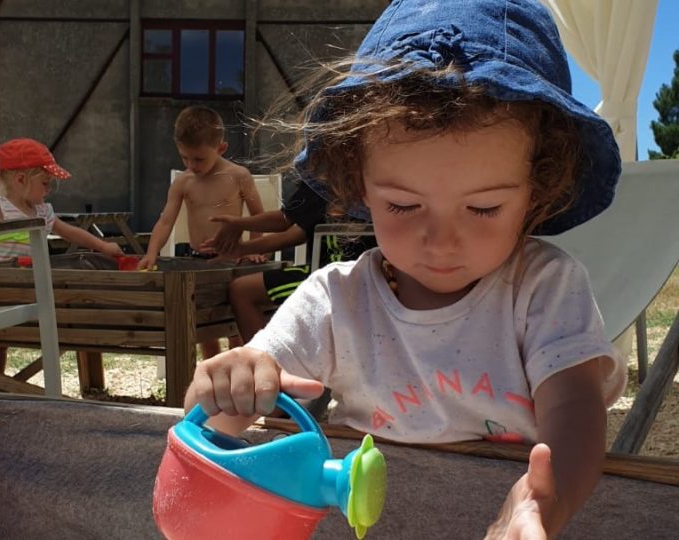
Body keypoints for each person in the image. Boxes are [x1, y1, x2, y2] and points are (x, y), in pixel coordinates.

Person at [183, 0, 628, 537]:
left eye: (484, 208)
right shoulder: (336, 300)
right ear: (359, 183)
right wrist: (228, 383)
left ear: (539, 188)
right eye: (403, 206)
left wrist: (545, 500)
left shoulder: (542, 288)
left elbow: (577, 411)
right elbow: (210, 424)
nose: (441, 241)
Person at [0, 138, 124, 390]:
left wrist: (103, 246)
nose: (48, 190)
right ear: (21, 179)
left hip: (23, 289)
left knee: (0, 342)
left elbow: (71, 232)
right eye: (45, 183)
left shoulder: (42, 212)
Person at [137, 105, 267, 358]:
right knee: (203, 327)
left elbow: (258, 217)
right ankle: (212, 374)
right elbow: (165, 221)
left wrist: (254, 249)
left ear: (221, 148)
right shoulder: (183, 182)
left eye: (199, 159)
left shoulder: (238, 176)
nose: (191, 165)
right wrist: (152, 252)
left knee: (234, 327)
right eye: (185, 158)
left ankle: (237, 371)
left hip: (232, 262)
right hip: (199, 262)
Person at [200, 180, 375, 342]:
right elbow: (290, 228)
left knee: (242, 291)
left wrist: (240, 226)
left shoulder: (375, 183)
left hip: (365, 278)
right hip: (319, 275)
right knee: (242, 290)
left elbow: (285, 223)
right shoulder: (317, 185)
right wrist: (240, 246)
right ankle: (267, 363)